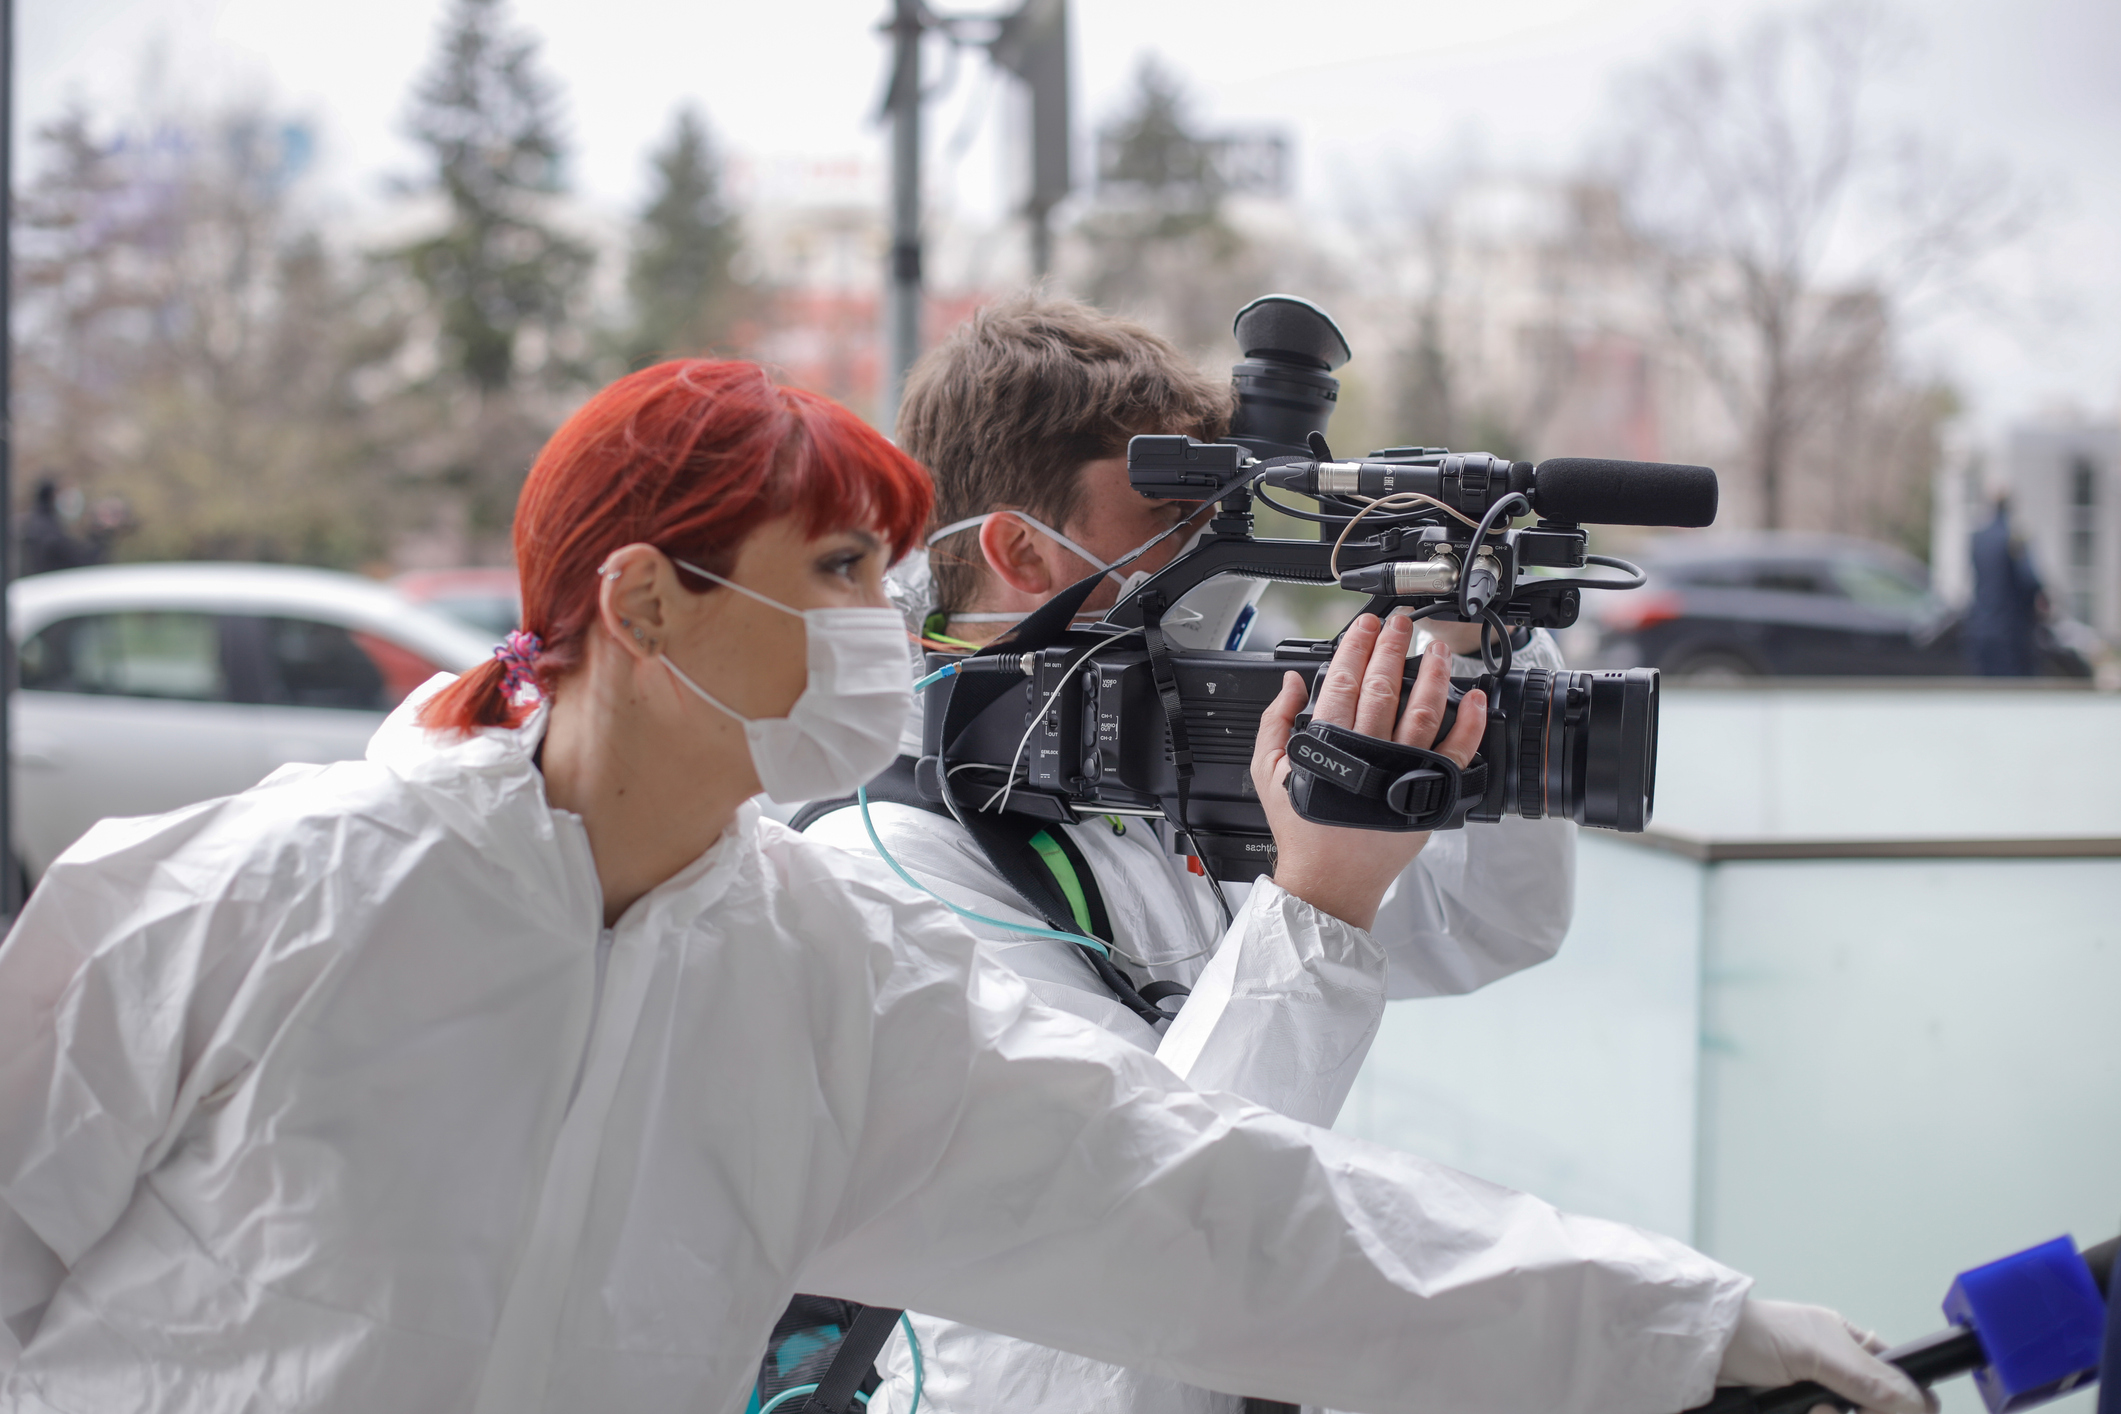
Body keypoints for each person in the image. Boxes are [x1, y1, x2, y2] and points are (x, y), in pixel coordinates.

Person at [0, 360, 1925, 1414]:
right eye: (837, 575)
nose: (889, 630)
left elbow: (1216, 1217)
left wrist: (1684, 1326)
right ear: (647, 600)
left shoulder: (799, 973)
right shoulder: (261, 894)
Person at [799, 295, 1578, 1413]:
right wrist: (1320, 892)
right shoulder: (886, 864)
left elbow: (1488, 925)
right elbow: (1151, 1206)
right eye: (1168, 519)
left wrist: (1481, 642)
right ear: (1022, 548)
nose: (1205, 559)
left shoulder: (1149, 765)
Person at [1966, 493, 2047, 676]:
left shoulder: (1978, 538)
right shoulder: (2013, 538)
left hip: (1980, 628)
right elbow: (2030, 581)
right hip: (2011, 631)